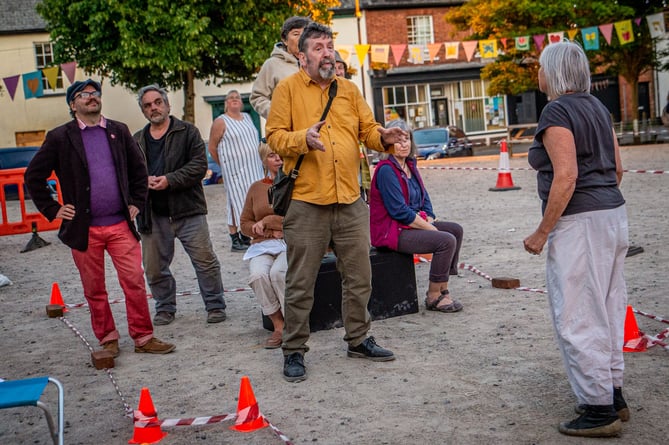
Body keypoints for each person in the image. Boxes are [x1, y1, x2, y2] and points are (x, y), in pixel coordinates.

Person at [265, 22, 408, 383]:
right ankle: (294, 349)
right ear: (302, 56)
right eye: (318, 47)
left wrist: (385, 137)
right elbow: (275, 138)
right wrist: (303, 139)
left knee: (360, 277)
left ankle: (358, 338)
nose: (327, 52)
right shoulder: (287, 90)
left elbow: (367, 131)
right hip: (306, 201)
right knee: (300, 282)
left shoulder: (348, 89)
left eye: (330, 46)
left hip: (349, 198)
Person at [523, 41, 629, 438]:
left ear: (554, 72)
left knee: (579, 313)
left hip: (581, 220)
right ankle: (612, 391)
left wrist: (542, 231)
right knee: (608, 306)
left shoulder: (557, 110)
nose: (538, 73)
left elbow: (566, 176)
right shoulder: (599, 107)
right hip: (612, 213)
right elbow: (617, 168)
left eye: (540, 67)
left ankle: (598, 408)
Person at [24, 79, 175, 357]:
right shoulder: (60, 137)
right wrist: (53, 208)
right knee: (95, 288)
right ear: (73, 104)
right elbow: (33, 176)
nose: (92, 98)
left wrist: (136, 202)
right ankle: (108, 338)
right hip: (84, 229)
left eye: (95, 93)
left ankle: (143, 337)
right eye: (84, 95)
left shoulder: (118, 130)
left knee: (134, 281)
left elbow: (138, 170)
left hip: (120, 224)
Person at [134, 84, 228, 326]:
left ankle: (215, 304)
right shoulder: (136, 141)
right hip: (152, 215)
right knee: (154, 268)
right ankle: (164, 307)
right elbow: (128, 175)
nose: (153, 107)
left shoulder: (187, 132)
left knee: (205, 261)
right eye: (147, 105)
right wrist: (142, 181)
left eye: (157, 102)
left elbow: (198, 166)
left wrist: (169, 180)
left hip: (188, 210)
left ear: (167, 104)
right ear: (143, 111)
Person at [369, 119, 464, 313]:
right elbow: (399, 211)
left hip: (410, 224)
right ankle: (433, 296)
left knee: (455, 230)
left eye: (407, 139)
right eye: (398, 140)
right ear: (387, 143)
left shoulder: (410, 165)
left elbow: (424, 197)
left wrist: (429, 216)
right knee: (445, 240)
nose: (403, 144)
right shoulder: (386, 169)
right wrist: (430, 227)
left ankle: (443, 287)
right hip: (392, 231)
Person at [239, 144, 287, 349]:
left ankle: (295, 324)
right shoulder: (256, 188)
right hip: (263, 243)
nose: (277, 159)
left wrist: (267, 220)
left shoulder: (296, 184)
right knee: (258, 275)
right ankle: (279, 325)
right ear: (264, 160)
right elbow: (244, 224)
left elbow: (296, 217)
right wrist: (269, 231)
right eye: (272, 156)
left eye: (281, 155)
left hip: (290, 242)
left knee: (278, 273)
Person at [207, 90, 264, 252]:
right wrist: (224, 165)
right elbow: (212, 147)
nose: (234, 100)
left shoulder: (247, 117)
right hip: (234, 170)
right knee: (236, 200)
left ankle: (248, 233)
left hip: (253, 166)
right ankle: (235, 236)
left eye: (237, 98)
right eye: (231, 98)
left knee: (254, 200)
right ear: (226, 103)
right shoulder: (220, 121)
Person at [250, 16, 312, 120]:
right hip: (285, 131)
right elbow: (257, 97)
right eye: (296, 34)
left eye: (305, 34)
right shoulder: (272, 65)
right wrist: (279, 115)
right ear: (285, 40)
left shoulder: (315, 63)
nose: (301, 38)